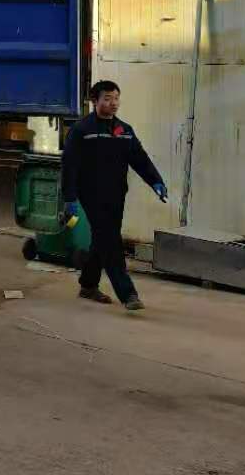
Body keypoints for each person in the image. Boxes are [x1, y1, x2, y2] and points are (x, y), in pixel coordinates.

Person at [61, 80, 168, 311]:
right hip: (91, 194)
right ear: (95, 101)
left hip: (116, 193)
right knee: (110, 240)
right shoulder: (82, 130)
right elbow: (69, 166)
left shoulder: (124, 130)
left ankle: (88, 285)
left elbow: (139, 158)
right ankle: (128, 293)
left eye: (116, 98)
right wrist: (69, 198)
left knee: (102, 239)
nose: (113, 103)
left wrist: (156, 181)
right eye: (107, 98)